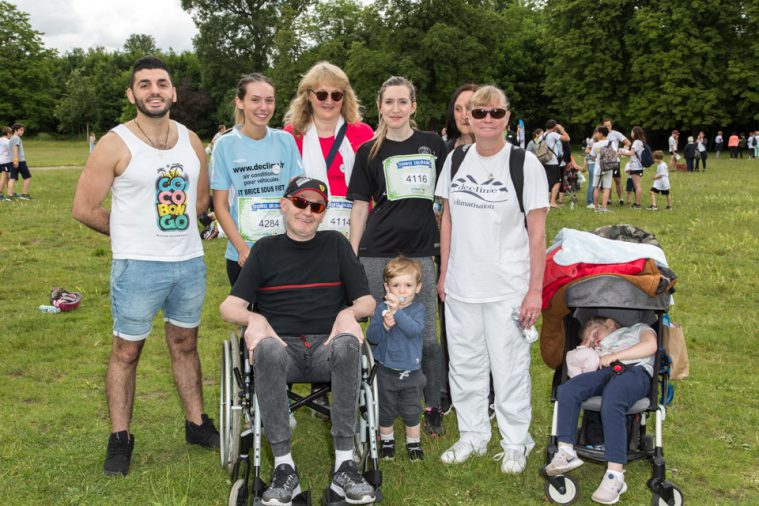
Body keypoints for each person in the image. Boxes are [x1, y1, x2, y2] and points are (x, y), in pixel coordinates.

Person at [71, 56, 217, 476]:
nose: (155, 90)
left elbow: (201, 202)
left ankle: (196, 424)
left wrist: (190, 226)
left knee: (186, 344)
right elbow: (83, 208)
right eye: (145, 84)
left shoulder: (191, 140)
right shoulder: (115, 143)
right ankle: (120, 438)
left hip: (188, 263)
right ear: (132, 94)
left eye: (162, 83)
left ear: (172, 92)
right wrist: (131, 234)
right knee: (126, 351)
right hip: (137, 267)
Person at [219, 176, 377, 506]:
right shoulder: (264, 250)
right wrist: (255, 318)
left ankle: (345, 464)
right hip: (281, 347)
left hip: (327, 344)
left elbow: (367, 301)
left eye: (316, 206)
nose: (307, 211)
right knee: (266, 349)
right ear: (285, 204)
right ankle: (283, 469)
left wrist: (349, 313)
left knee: (350, 344)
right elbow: (228, 306)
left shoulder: (336, 243)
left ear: (323, 213)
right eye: (301, 203)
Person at [435, 85, 548, 474]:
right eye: (478, 113)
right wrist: (444, 273)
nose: (486, 120)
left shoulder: (523, 164)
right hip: (462, 284)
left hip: (507, 288)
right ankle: (473, 434)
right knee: (464, 365)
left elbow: (537, 232)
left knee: (509, 366)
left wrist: (534, 290)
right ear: (467, 117)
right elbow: (446, 219)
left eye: (495, 113)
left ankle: (516, 441)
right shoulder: (454, 160)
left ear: (506, 117)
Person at [347, 76, 448, 436]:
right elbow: (359, 207)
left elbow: (446, 200)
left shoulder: (434, 145)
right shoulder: (368, 152)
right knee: (381, 332)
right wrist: (354, 255)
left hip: (421, 254)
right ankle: (380, 404)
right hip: (378, 253)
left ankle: (432, 404)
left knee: (426, 336)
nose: (395, 109)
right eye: (388, 102)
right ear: (379, 106)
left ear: (414, 106)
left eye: (402, 102)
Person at [543, 317, 658, 504]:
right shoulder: (597, 351)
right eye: (590, 341)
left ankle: (615, 476)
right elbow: (577, 369)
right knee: (568, 389)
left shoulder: (636, 329)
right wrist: (585, 347)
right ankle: (566, 451)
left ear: (610, 322)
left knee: (613, 398)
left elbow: (650, 346)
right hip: (604, 372)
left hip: (636, 371)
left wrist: (615, 356)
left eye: (595, 334)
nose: (596, 341)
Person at [212, 73, 303, 286]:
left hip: (285, 251)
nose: (263, 107)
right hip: (243, 256)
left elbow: (297, 195)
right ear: (239, 102)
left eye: (269, 100)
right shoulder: (225, 145)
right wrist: (243, 249)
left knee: (288, 317)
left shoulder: (285, 140)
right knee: (250, 319)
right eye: (255, 99)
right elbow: (220, 205)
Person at [283, 61, 373, 240]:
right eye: (322, 95)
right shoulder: (291, 135)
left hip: (355, 228)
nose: (329, 101)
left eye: (336, 95)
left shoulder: (363, 133)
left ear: (344, 97)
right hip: (306, 227)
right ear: (309, 95)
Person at [367, 256, 427, 461]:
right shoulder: (381, 310)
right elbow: (371, 337)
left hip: (412, 371)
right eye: (396, 285)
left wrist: (398, 313)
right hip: (385, 370)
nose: (402, 290)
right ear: (387, 287)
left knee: (412, 410)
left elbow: (414, 330)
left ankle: (414, 444)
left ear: (417, 288)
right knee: (385, 409)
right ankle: (387, 442)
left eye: (408, 285)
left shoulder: (418, 310)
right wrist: (385, 326)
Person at [541, 119, 569, 208]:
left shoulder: (543, 135)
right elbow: (567, 138)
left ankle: (546, 201)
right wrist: (561, 130)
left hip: (544, 160)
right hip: (553, 161)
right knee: (557, 182)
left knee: (548, 182)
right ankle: (552, 202)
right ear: (554, 126)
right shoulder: (553, 134)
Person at [603, 118, 631, 206]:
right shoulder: (601, 135)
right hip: (605, 161)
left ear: (611, 126)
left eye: (609, 125)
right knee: (607, 180)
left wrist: (621, 152)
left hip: (615, 160)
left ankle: (620, 198)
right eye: (605, 126)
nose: (607, 127)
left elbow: (628, 143)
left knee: (617, 180)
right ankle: (609, 199)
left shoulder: (616, 134)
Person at [443, 84, 478, 151]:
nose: (464, 116)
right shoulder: (444, 151)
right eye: (458, 109)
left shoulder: (499, 151)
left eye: (469, 108)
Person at [618, 125, 646, 208]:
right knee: (637, 185)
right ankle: (636, 203)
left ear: (635, 133)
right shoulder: (641, 142)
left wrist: (622, 152)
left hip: (635, 166)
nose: (631, 133)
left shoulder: (636, 142)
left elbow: (631, 153)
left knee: (637, 186)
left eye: (632, 131)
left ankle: (637, 204)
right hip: (639, 166)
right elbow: (632, 155)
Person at [589, 125, 613, 213]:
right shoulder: (611, 143)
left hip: (598, 168)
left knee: (596, 187)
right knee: (607, 188)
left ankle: (596, 207)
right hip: (609, 167)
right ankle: (604, 207)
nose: (596, 134)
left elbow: (592, 157)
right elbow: (614, 153)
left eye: (597, 133)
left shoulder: (596, 144)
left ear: (601, 133)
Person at [8, 123, 32, 200]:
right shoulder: (16, 138)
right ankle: (24, 195)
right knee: (27, 177)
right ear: (16, 130)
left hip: (12, 161)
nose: (22, 132)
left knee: (12, 178)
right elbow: (15, 148)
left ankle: (9, 196)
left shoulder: (11, 138)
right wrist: (16, 160)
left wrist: (14, 160)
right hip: (19, 161)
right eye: (21, 130)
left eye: (23, 130)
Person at [0, 126, 12, 201]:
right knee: (4, 176)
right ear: (8, 133)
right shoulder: (7, 141)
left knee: (7, 176)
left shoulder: (0, 139)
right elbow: (12, 150)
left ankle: (10, 191)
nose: (11, 136)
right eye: (11, 134)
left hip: (1, 161)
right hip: (5, 161)